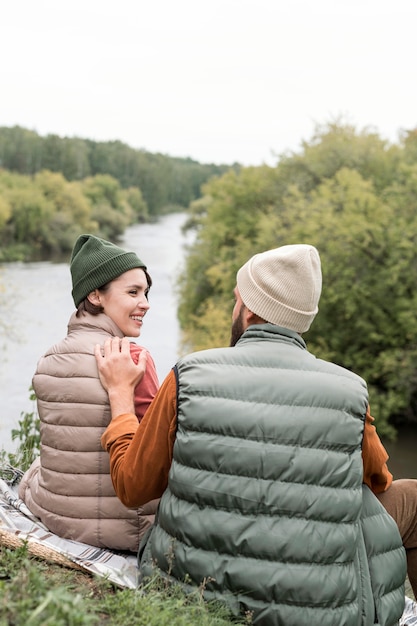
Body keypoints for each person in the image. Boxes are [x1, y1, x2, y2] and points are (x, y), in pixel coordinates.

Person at [96, 244, 407, 625]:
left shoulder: (189, 375)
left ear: (251, 309)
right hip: (316, 611)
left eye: (236, 298)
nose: (234, 307)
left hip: (190, 589)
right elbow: (378, 481)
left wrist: (121, 402)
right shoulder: (350, 391)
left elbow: (133, 487)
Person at [18, 234, 160, 552]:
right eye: (133, 292)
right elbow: (158, 457)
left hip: (55, 517)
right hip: (127, 531)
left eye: (146, 292)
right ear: (96, 295)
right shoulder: (133, 358)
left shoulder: (49, 357)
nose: (146, 303)